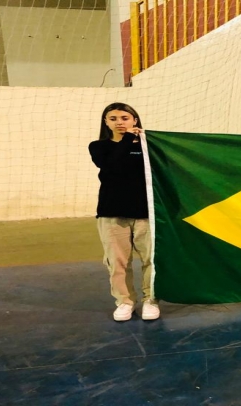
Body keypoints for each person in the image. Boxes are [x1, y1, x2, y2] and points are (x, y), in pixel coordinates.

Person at [89, 102, 159, 321]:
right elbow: (112, 166)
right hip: (112, 214)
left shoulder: (148, 146)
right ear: (106, 122)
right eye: (113, 118)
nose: (119, 122)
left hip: (146, 214)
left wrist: (143, 140)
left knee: (151, 260)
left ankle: (151, 300)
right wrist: (129, 138)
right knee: (117, 262)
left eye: (125, 118)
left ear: (134, 120)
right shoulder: (99, 146)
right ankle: (125, 302)